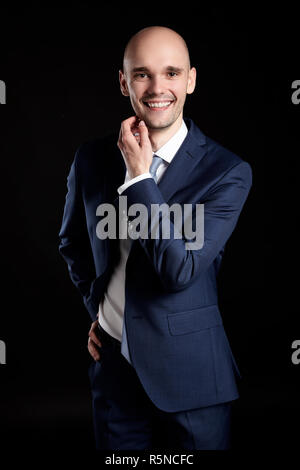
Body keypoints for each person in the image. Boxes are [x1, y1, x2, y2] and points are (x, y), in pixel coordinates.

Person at [58, 26, 252, 450]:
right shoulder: (91, 158)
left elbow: (177, 269)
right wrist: (101, 311)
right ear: (124, 82)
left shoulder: (227, 172)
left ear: (191, 80)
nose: (158, 87)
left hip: (193, 381)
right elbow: (72, 243)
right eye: (142, 74)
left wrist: (140, 177)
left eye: (171, 73)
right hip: (114, 375)